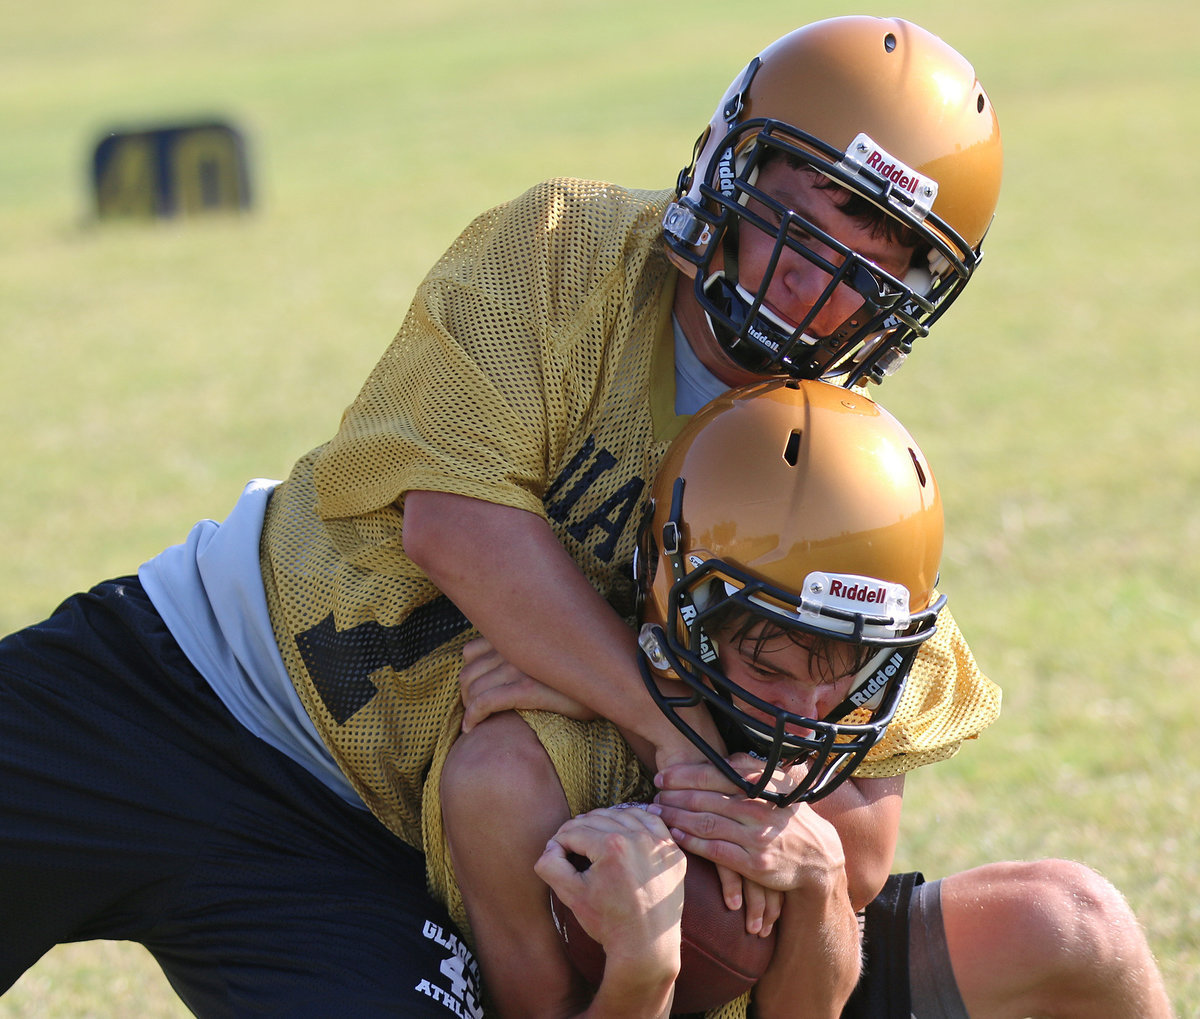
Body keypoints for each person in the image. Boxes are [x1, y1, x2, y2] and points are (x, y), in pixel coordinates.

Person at [0, 15, 1012, 1016]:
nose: (821, 277)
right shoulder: (563, 251)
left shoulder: (854, 475)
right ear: (730, 161)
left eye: (883, 252)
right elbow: (456, 525)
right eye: (825, 205)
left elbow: (860, 797)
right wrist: (676, 722)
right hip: (188, 673)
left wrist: (677, 743)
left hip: (365, 853)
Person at [440, 381, 1173, 1018]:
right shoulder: (512, 770)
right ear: (681, 608)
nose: (812, 709)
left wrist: (818, 874)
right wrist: (641, 975)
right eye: (769, 665)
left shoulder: (876, 675)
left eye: (846, 667)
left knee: (1079, 919)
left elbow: (812, 992)